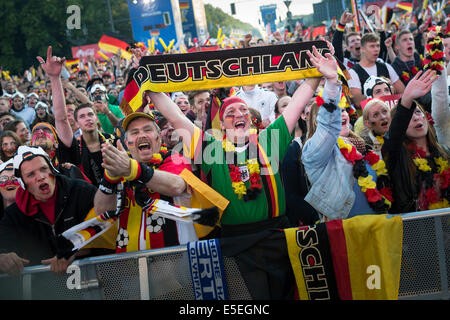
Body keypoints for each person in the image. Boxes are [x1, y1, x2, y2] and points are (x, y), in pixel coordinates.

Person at [144, 46, 337, 237]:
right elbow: (176, 117)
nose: (240, 114)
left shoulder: (269, 139)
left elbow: (297, 102)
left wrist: (320, 74)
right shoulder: (210, 148)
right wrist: (149, 84)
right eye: (231, 113)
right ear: (222, 124)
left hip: (276, 233)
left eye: (244, 110)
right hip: (233, 240)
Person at [302, 47, 393, 221]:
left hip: (379, 228)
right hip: (344, 235)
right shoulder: (315, 152)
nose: (341, 113)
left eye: (344, 110)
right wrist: (331, 82)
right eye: (337, 110)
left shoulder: (365, 145)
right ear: (317, 122)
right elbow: (329, 127)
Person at [94, 112, 196, 252]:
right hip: (129, 262)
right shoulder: (119, 167)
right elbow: (101, 211)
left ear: (159, 138)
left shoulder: (174, 158)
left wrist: (133, 170)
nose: (142, 135)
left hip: (174, 256)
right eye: (134, 132)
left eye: (147, 130)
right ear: (126, 143)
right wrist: (110, 177)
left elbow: (176, 186)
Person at [0, 146, 97, 275]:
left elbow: (104, 229)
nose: (40, 177)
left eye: (43, 169)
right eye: (30, 174)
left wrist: (73, 253)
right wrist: (3, 256)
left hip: (91, 278)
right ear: (22, 182)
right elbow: (4, 244)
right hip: (43, 288)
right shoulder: (14, 214)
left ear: (52, 169)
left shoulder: (82, 192)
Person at [37, 46, 116, 187]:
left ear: (97, 119)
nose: (87, 118)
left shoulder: (113, 141)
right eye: (82, 116)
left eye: (91, 114)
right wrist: (54, 78)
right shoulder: (75, 147)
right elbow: (61, 118)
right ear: (77, 123)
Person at [382, 69, 448, 213]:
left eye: (418, 112)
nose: (416, 117)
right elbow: (392, 138)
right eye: (409, 115)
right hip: (417, 230)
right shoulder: (397, 157)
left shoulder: (445, 152)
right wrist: (406, 99)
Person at [348, 33, 405, 109]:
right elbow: (357, 102)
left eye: (378, 46)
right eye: (372, 46)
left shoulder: (386, 66)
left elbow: (402, 92)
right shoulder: (353, 72)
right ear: (362, 49)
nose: (376, 49)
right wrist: (383, 96)